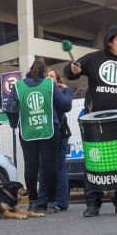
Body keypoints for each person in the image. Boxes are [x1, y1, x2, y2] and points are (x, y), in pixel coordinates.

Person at [64, 25, 117, 217]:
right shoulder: (93, 59)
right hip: (94, 119)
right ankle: (93, 204)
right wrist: (72, 68)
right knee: (94, 161)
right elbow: (72, 71)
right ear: (109, 42)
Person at [5, 60, 72, 213]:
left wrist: (14, 123)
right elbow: (65, 105)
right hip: (49, 130)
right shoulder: (50, 85)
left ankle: (33, 202)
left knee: (31, 166)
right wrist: (67, 91)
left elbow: (10, 108)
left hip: (28, 131)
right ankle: (51, 202)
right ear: (43, 72)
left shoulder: (19, 85)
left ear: (30, 70)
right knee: (50, 166)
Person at [37, 68, 74, 212]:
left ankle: (61, 201)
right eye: (46, 75)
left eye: (52, 76)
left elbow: (65, 106)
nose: (48, 78)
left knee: (59, 167)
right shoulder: (41, 92)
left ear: (58, 81)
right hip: (44, 133)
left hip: (60, 133)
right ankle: (44, 200)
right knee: (43, 166)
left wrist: (68, 91)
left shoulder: (61, 93)